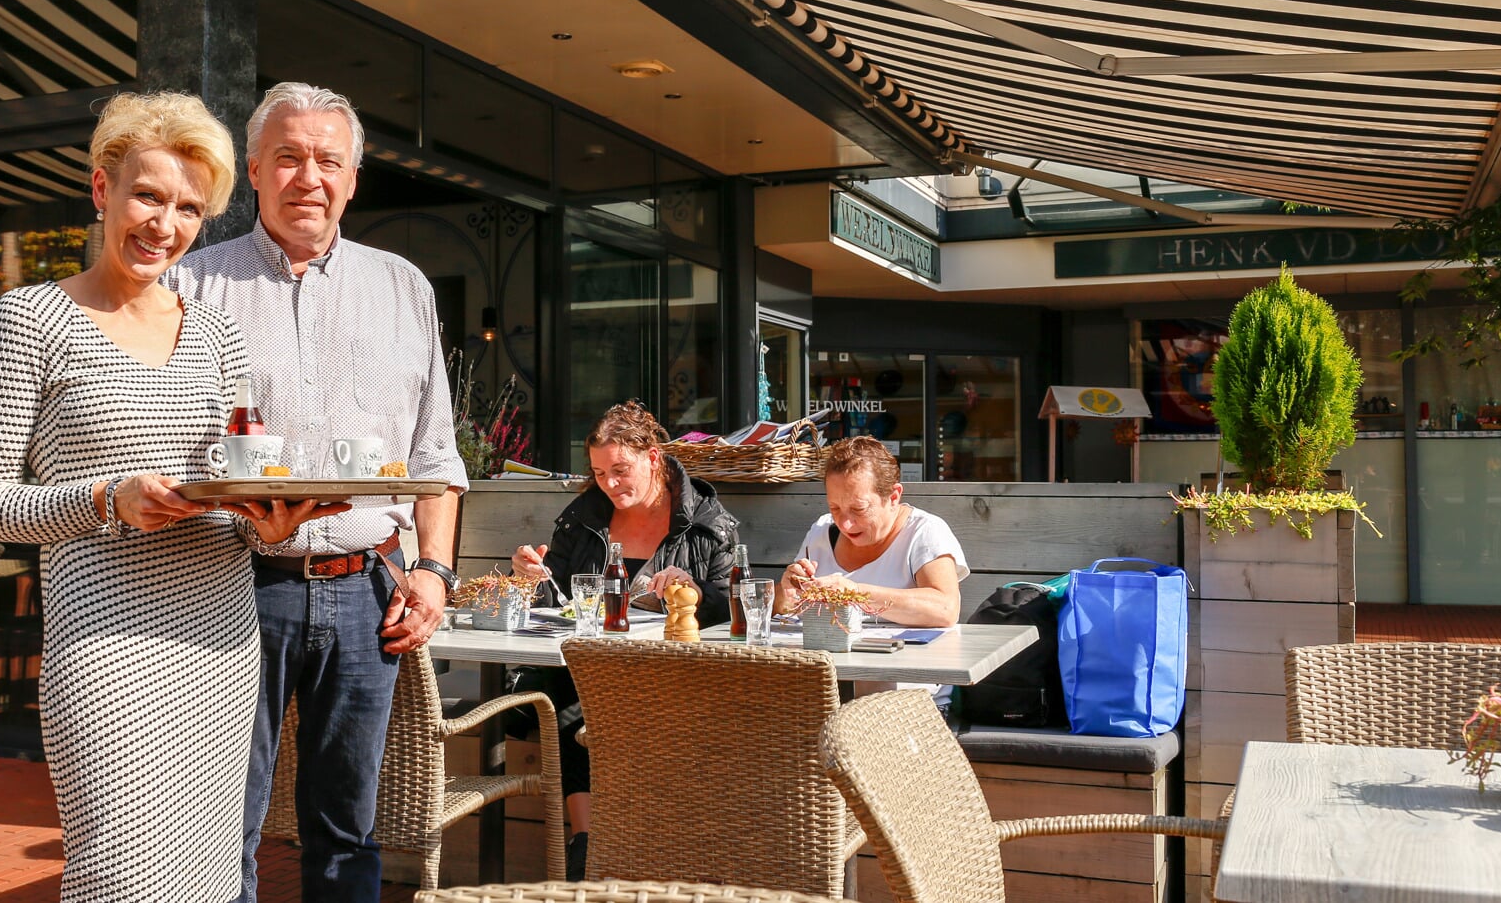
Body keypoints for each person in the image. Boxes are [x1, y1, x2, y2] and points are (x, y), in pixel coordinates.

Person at [0, 92, 344, 902]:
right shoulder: (30, 318)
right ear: (102, 190)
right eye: (148, 196)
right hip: (104, 646)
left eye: (189, 209)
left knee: (206, 881)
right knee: (120, 880)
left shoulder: (214, 332)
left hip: (220, 643)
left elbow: (235, 483)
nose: (164, 225)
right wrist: (107, 499)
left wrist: (271, 523)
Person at [167, 82, 467, 903]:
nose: (310, 176)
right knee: (224, 820)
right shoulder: (190, 287)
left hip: (368, 593)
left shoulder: (405, 287)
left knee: (347, 831)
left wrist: (435, 574)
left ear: (354, 177)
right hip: (230, 586)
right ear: (256, 171)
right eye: (290, 157)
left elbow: (434, 454)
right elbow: (171, 450)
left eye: (328, 159)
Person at [510, 400, 739, 880]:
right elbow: (554, 597)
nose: (609, 484)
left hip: (675, 674)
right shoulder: (583, 517)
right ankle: (586, 846)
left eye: (620, 470)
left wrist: (697, 593)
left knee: (578, 695)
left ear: (653, 458)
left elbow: (737, 603)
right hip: (591, 669)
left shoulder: (706, 521)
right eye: (598, 472)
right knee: (568, 693)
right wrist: (529, 577)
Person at [776, 436, 969, 696]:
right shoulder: (822, 531)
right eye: (835, 508)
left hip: (906, 702)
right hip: (823, 693)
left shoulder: (924, 532)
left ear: (893, 496)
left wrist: (854, 592)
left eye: (859, 509)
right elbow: (784, 611)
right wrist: (788, 591)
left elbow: (945, 609)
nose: (845, 524)